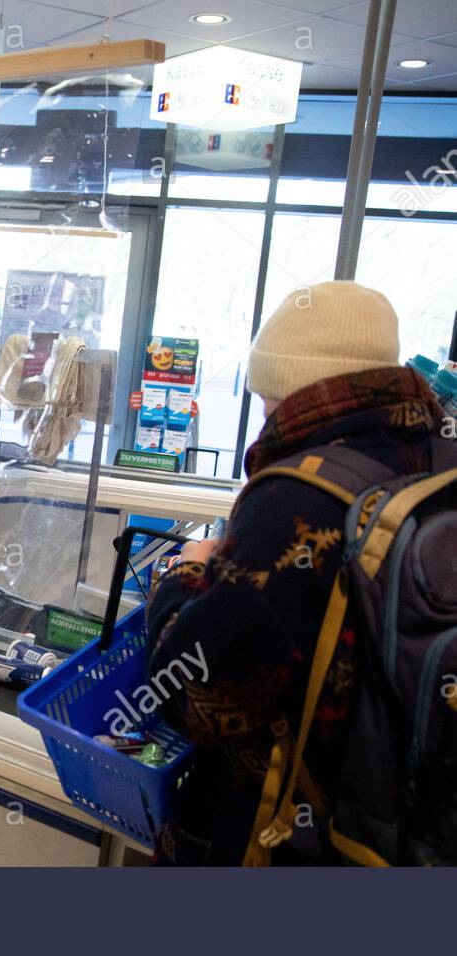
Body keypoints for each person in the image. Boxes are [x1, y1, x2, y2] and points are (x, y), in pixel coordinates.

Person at [144, 281, 448, 864]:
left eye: (262, 396)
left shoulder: (297, 499)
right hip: (400, 829)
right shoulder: (436, 461)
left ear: (285, 387)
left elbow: (193, 696)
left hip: (285, 837)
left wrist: (184, 577)